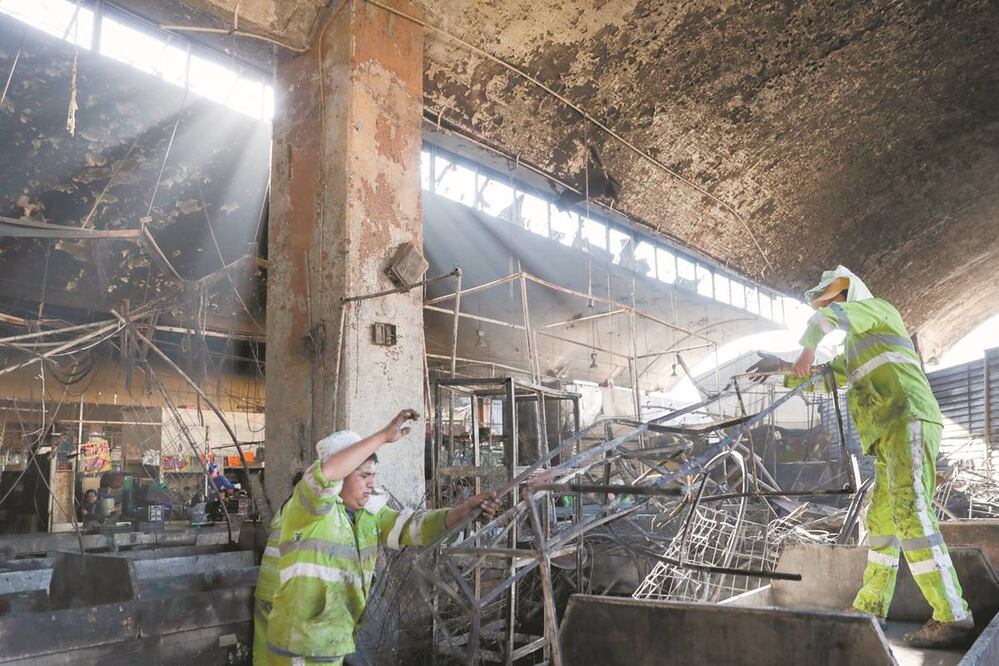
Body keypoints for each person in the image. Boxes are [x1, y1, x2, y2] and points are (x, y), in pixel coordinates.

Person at [748, 266, 973, 648]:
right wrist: (784, 368)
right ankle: (870, 606)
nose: (831, 305)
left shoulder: (877, 310)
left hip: (909, 418)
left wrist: (805, 349)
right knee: (882, 521)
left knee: (911, 511)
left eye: (834, 299)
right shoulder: (855, 348)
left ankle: (952, 614)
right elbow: (824, 377)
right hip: (887, 434)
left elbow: (823, 320)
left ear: (848, 296)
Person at [264, 409, 500, 665]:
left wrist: (462, 512)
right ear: (341, 477)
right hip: (297, 646)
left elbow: (414, 527)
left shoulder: (368, 516)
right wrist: (382, 437)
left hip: (334, 639)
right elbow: (325, 475)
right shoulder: (307, 510)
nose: (371, 484)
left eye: (373, 476)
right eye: (364, 476)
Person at [254, 469, 305, 666]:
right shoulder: (308, 514)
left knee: (263, 652)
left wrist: (257, 487)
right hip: (286, 596)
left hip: (265, 591)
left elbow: (265, 517)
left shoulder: (283, 510)